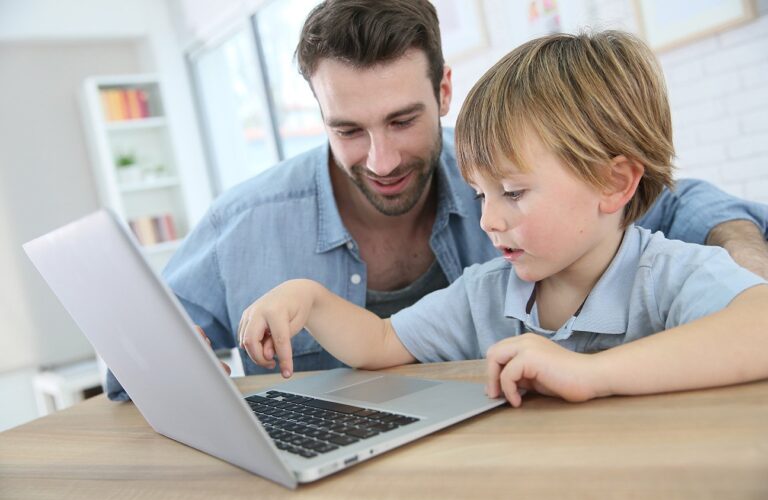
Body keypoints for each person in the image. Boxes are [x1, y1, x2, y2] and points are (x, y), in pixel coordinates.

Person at [106, 0, 768, 400]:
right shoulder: (490, 292)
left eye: (510, 194)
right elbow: (383, 340)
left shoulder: (663, 274)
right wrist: (306, 296)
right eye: (347, 130)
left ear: (442, 91)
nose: (487, 218)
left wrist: (594, 373)